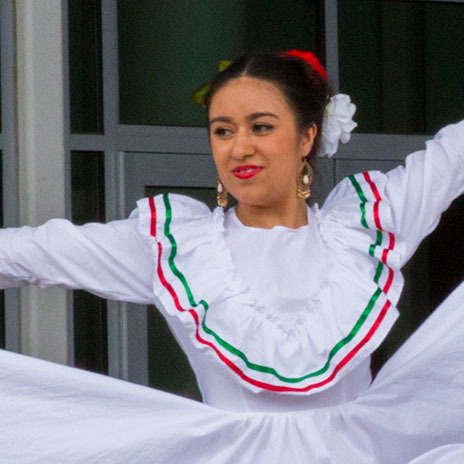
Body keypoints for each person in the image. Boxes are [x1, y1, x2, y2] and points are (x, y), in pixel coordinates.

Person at [0, 50, 463, 463]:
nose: (240, 147)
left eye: (261, 127)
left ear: (306, 138)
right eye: (223, 131)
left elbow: (453, 157)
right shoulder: (178, 248)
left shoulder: (367, 227)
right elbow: (31, 253)